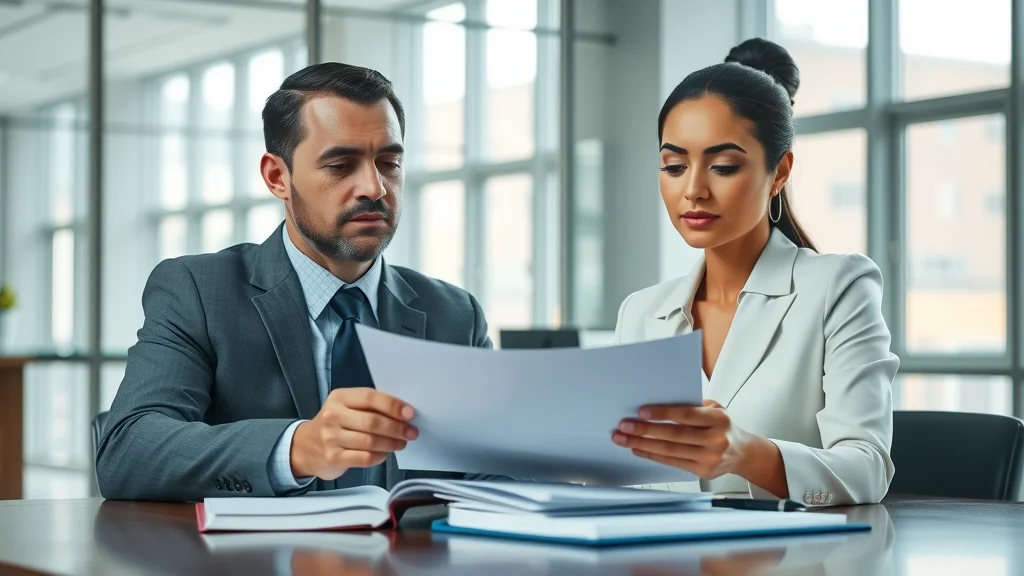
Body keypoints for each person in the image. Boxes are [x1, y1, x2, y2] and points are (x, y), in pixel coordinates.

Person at [96, 63, 494, 502]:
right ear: (277, 177)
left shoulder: (455, 315)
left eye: (389, 163)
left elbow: (495, 467)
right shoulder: (199, 291)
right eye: (341, 165)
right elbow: (128, 450)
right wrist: (297, 449)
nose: (375, 188)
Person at [610, 38, 898, 507]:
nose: (694, 190)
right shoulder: (640, 313)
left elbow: (867, 467)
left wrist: (744, 452)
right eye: (674, 165)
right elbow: (619, 472)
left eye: (723, 166)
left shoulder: (837, 287)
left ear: (779, 172)